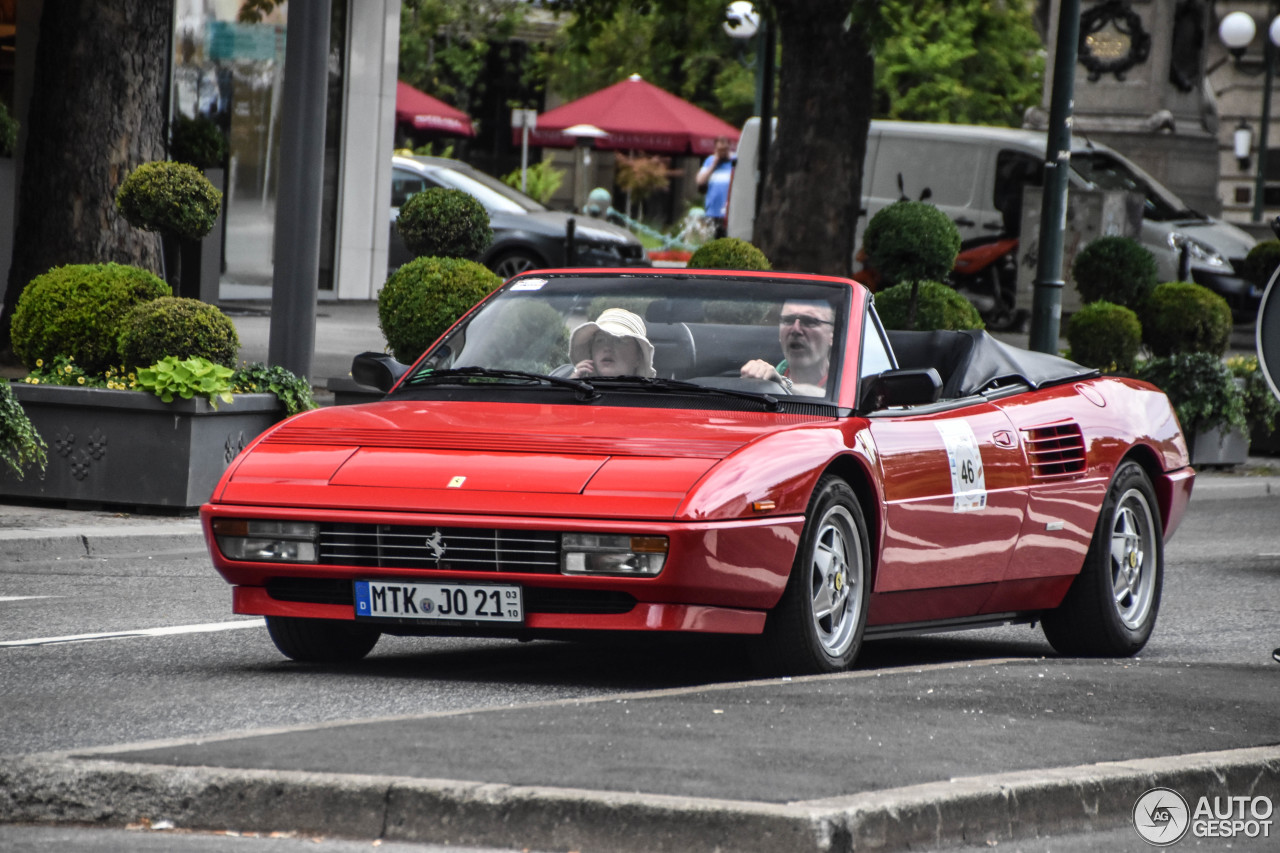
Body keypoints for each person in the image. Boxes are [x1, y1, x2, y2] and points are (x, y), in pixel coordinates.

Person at [740, 299, 835, 395]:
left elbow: (834, 398)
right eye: (788, 320)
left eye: (809, 321)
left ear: (832, 336)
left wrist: (782, 385)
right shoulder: (762, 380)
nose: (795, 329)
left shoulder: (847, 382)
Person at [568, 308, 656, 378]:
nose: (607, 347)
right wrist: (572, 389)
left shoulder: (652, 399)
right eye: (600, 340)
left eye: (619, 340)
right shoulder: (577, 394)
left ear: (638, 357)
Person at [696, 136, 734, 238]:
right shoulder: (710, 161)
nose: (722, 152)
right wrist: (713, 165)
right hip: (714, 209)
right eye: (719, 150)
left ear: (729, 147)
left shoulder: (735, 161)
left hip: (729, 209)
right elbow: (700, 180)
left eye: (724, 149)